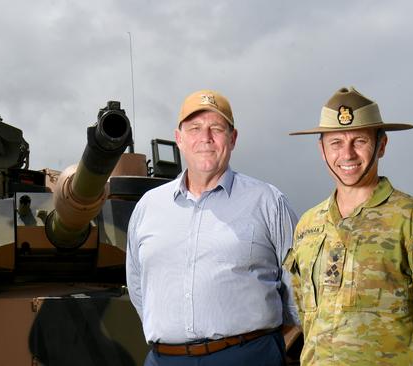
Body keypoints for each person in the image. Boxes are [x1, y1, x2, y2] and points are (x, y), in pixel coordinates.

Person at [285, 86, 413, 365]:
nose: (347, 154)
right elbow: (306, 309)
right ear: (322, 150)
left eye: (359, 141)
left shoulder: (411, 219)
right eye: (335, 142)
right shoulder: (309, 225)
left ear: (381, 145)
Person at [126, 89, 299, 366]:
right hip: (165, 359)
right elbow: (138, 287)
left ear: (233, 138)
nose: (205, 138)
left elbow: (298, 292)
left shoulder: (268, 202)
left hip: (248, 356)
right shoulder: (149, 207)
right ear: (179, 138)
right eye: (194, 128)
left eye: (216, 128)